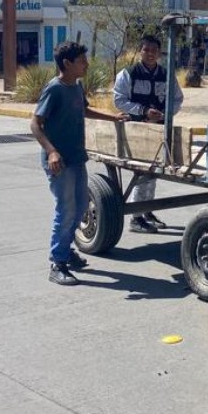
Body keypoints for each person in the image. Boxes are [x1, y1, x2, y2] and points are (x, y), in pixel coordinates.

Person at [31, 40, 128, 286]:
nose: (87, 64)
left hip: (76, 157)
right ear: (67, 63)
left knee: (82, 204)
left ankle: (65, 250)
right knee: (66, 209)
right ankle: (57, 262)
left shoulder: (76, 86)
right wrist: (52, 152)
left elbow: (84, 110)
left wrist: (112, 117)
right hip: (59, 162)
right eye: (82, 60)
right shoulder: (54, 89)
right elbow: (35, 124)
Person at [113, 34, 185, 233]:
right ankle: (136, 218)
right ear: (140, 51)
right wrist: (143, 111)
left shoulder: (167, 75)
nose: (150, 54)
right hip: (137, 131)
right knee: (142, 172)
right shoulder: (127, 74)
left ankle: (147, 211)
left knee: (154, 172)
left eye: (154, 50)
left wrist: (164, 114)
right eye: (146, 50)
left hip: (159, 130)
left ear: (160, 53)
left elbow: (178, 99)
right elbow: (119, 101)